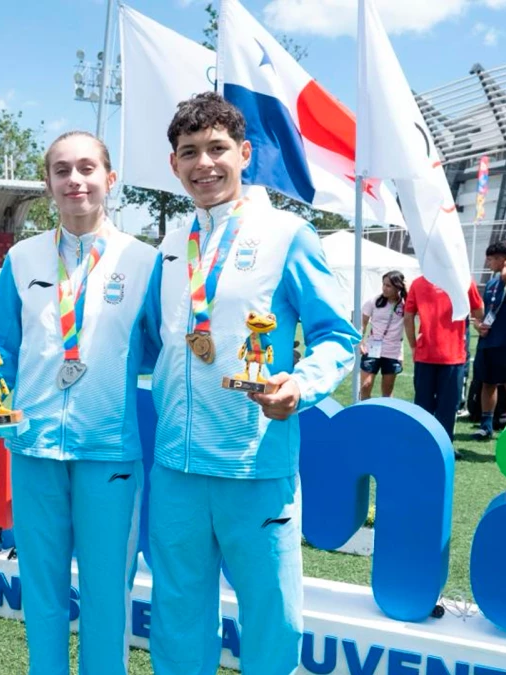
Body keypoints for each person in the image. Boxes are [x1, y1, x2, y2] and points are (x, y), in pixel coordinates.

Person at [142, 92, 359, 675]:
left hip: (254, 465)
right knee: (178, 617)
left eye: (217, 149)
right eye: (189, 152)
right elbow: (143, 342)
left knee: (273, 621)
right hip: (176, 469)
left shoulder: (288, 233)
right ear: (174, 164)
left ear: (244, 153)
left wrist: (303, 386)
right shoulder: (167, 246)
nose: (204, 163)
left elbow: (337, 335)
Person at [0, 130, 156, 675]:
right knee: (43, 590)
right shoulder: (22, 256)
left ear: (109, 178)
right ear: (48, 183)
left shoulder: (145, 261)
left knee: (106, 594)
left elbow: (157, 350)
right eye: (61, 170)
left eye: (86, 168)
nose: (74, 180)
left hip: (109, 453)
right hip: (32, 448)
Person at [404, 274, 484, 441]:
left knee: (423, 405)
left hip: (428, 354)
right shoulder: (464, 280)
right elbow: (479, 311)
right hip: (452, 356)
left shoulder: (419, 283)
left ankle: (422, 444)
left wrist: (413, 345)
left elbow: (408, 316)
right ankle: (444, 446)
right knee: (448, 407)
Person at [471, 242, 506, 440]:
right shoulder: (492, 282)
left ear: (504, 259)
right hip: (488, 341)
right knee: (487, 383)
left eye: (493, 258)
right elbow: (484, 312)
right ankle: (486, 425)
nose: (488, 262)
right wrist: (478, 324)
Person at [359, 271, 408, 400]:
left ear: (398, 287)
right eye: (384, 284)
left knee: (387, 391)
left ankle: (385, 418)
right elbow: (362, 324)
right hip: (372, 349)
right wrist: (360, 342)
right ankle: (362, 415)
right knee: (366, 385)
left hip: (393, 351)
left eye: (389, 286)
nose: (384, 288)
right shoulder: (373, 301)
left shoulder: (405, 305)